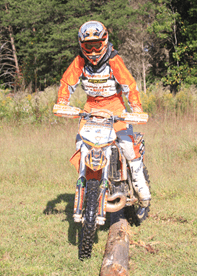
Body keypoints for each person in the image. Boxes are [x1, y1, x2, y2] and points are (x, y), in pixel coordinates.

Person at [56, 20, 151, 208]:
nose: (92, 51)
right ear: (81, 45)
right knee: (83, 145)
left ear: (105, 42)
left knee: (126, 145)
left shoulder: (114, 60)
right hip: (91, 108)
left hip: (115, 107)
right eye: (87, 46)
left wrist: (136, 108)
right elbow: (66, 83)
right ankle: (90, 187)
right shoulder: (79, 62)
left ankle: (140, 185)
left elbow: (129, 86)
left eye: (96, 46)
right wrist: (62, 102)